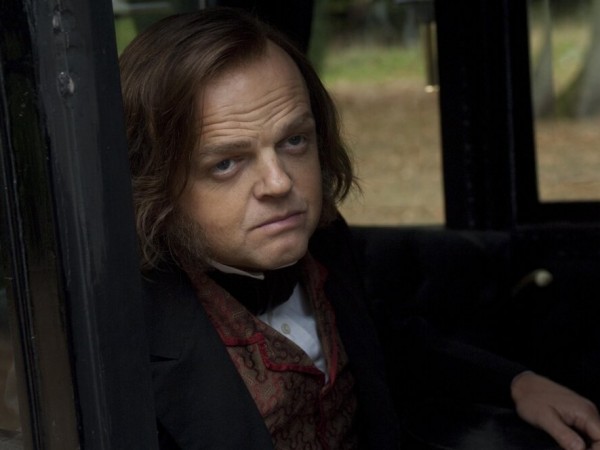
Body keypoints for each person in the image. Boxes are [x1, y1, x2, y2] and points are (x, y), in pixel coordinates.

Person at [119, 7, 600, 449]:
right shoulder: (129, 344)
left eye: (294, 141)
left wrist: (517, 383)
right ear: (157, 185)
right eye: (226, 163)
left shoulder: (325, 241)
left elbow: (385, 341)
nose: (279, 182)